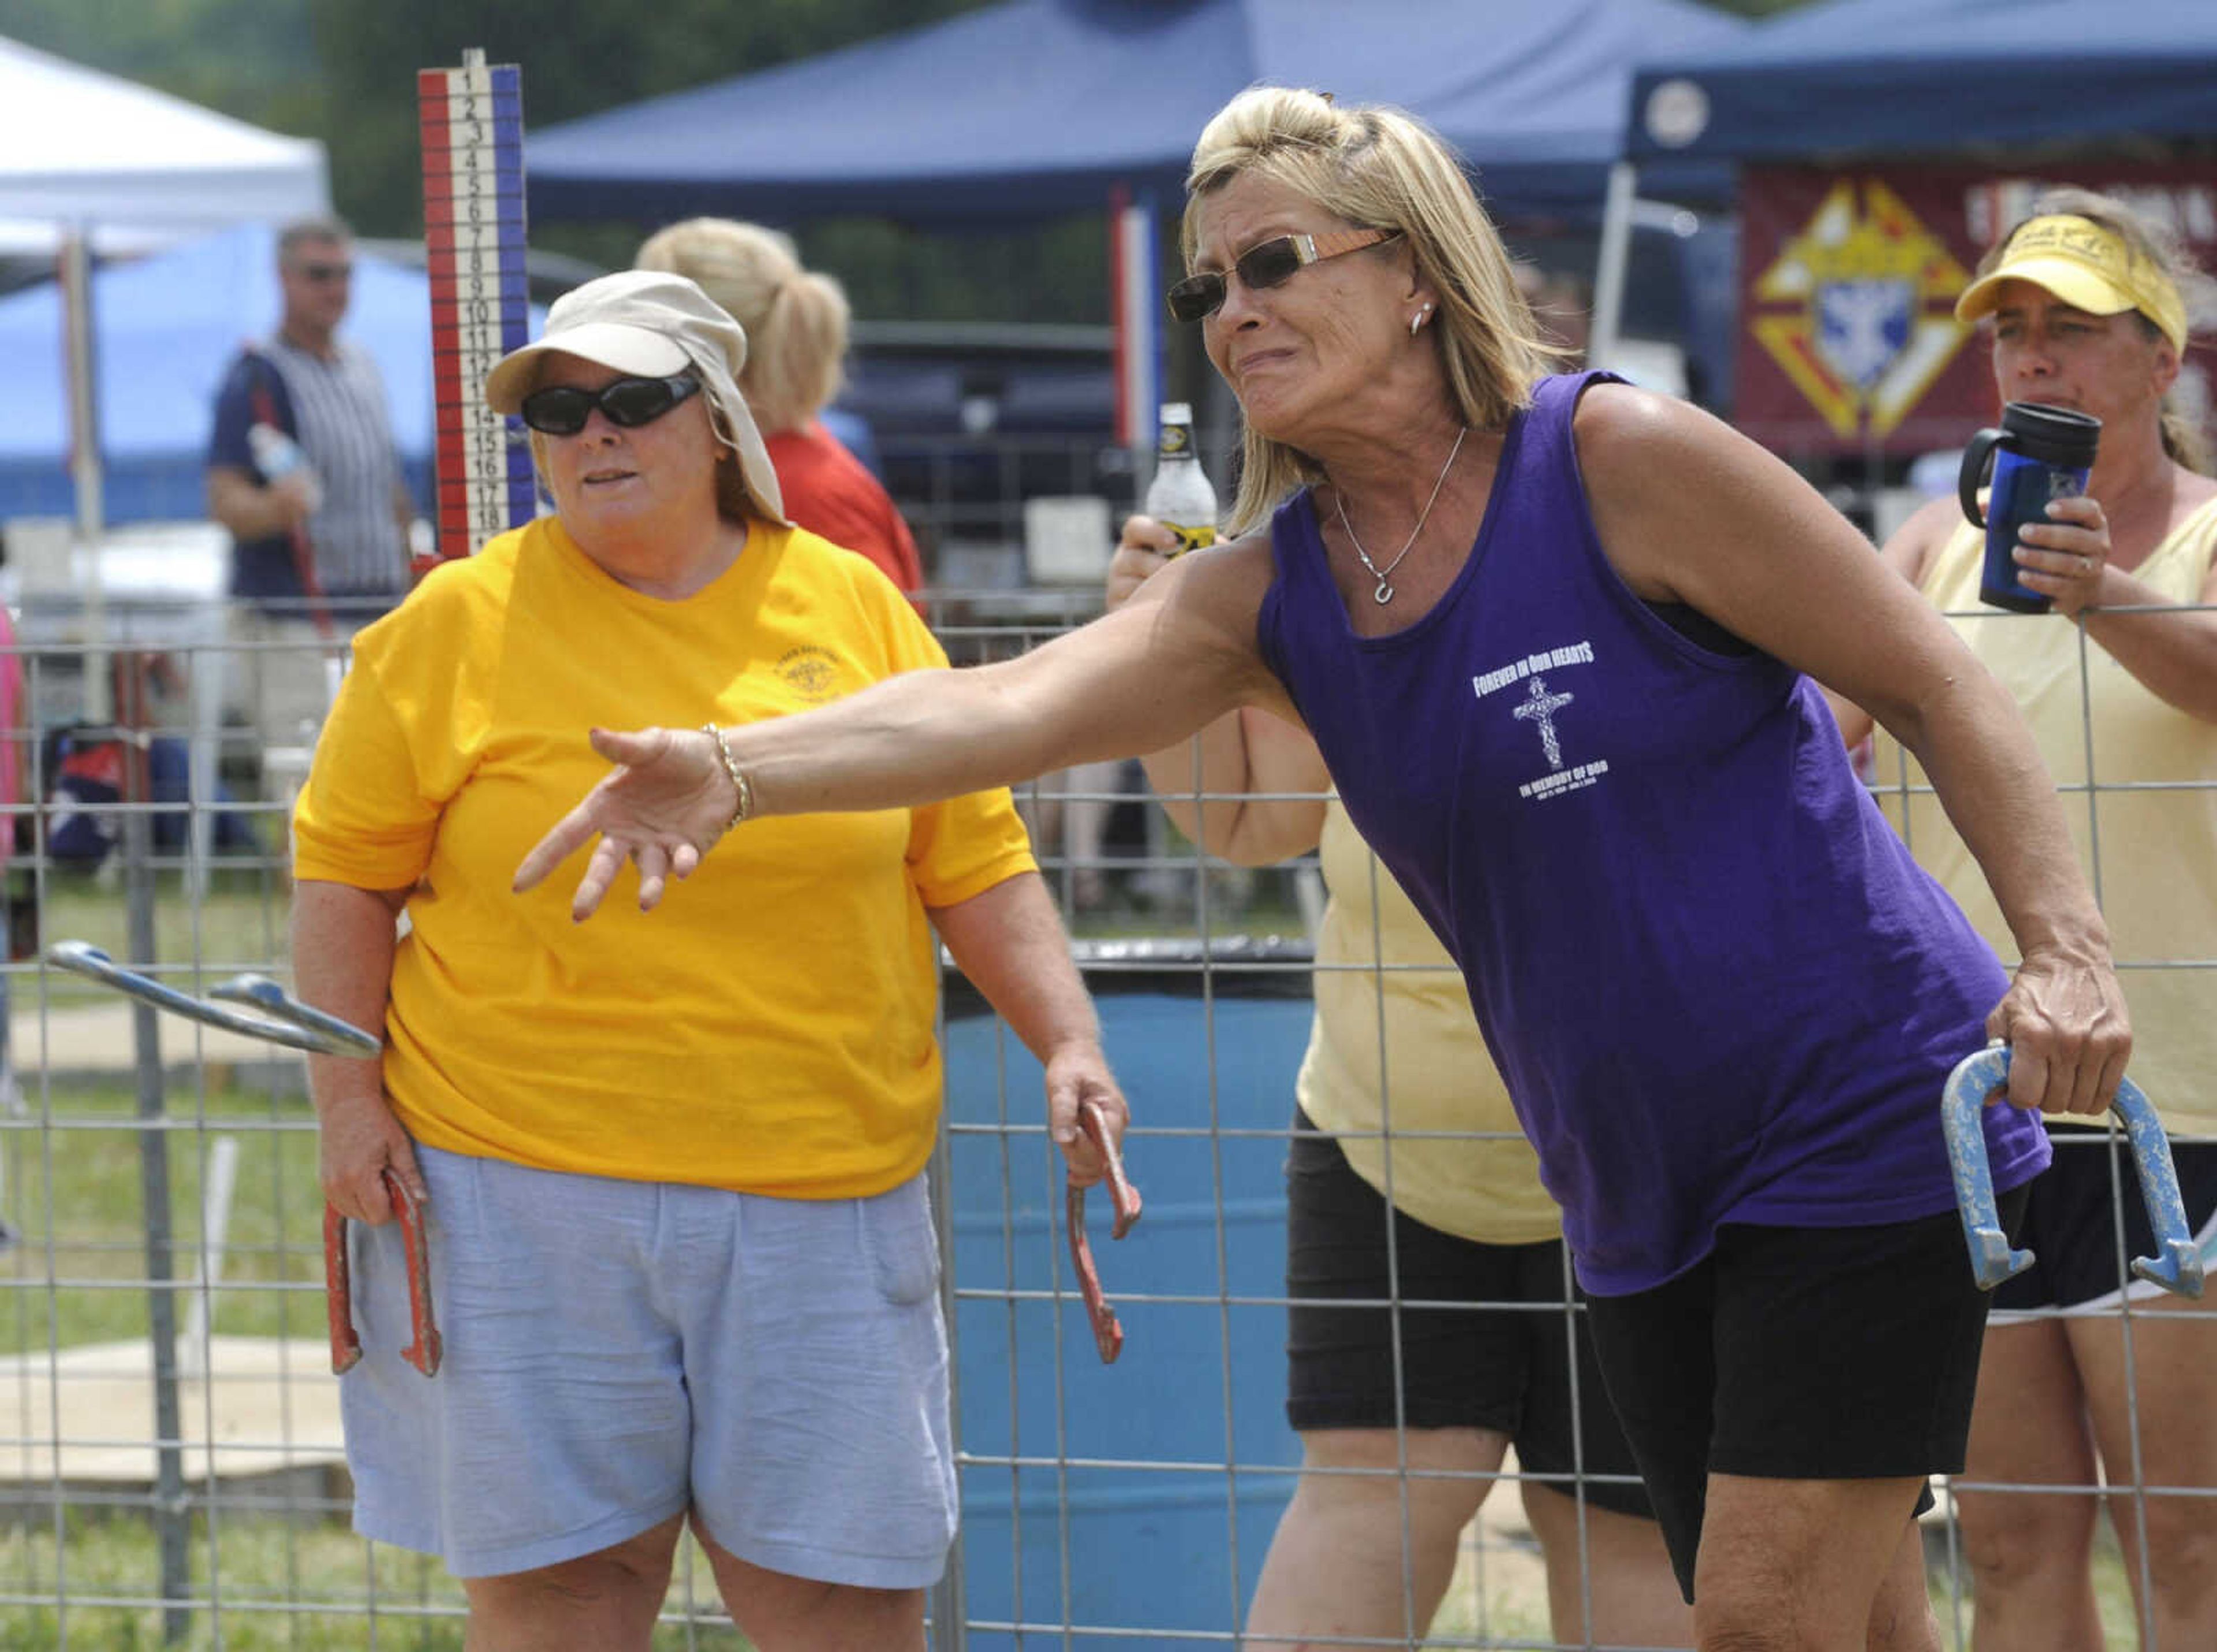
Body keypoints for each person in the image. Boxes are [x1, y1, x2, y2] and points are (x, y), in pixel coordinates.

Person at [516, 90, 2130, 1652]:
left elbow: (1938, 676)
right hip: (1630, 1176)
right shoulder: (1271, 592)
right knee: (1855, 1618)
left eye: (1275, 262)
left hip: (1855, 1111)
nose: (1232, 312)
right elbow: (1000, 704)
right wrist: (732, 768)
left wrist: (2067, 950)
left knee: (1764, 1620)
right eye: (1211, 286)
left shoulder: (1622, 456)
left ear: (1416, 272)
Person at [292, 269, 1128, 1652]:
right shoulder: (454, 621)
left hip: (820, 1179)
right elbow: (342, 870)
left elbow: (972, 856)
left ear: (721, 420)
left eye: (632, 399)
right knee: (562, 1595)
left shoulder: (851, 607)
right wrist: (343, 1099)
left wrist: (1069, 1038)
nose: (593, 433)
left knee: (840, 1602)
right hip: (515, 1178)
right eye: (559, 411)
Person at [1110, 516, 1690, 1647]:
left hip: (1650, 1156)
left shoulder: (1626, 513)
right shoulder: (1336, 555)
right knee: (1371, 1493)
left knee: (1628, 1534)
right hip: (1386, 1144)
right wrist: (1160, 640)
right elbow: (1243, 815)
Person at [1834, 188, 2217, 1652]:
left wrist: (2102, 595)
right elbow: (1822, 720)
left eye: (2068, 330)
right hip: (1974, 1101)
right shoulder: (1936, 534)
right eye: (2009, 331)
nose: (2031, 359)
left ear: (2156, 358)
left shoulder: (2190, 539)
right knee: (2001, 1536)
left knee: (2180, 1534)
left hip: (2170, 1096)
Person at [207, 217, 416, 754]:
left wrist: (414, 575)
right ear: (284, 278)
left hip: (382, 615)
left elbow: (386, 486)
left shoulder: (364, 366)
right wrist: (274, 508)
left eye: (345, 274)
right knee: (307, 781)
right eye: (319, 274)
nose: (336, 289)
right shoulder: (258, 376)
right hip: (293, 621)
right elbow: (225, 497)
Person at [636, 218, 922, 591]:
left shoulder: (799, 493)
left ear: (703, 352)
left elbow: (880, 642)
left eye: (647, 336)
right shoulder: (764, 470)